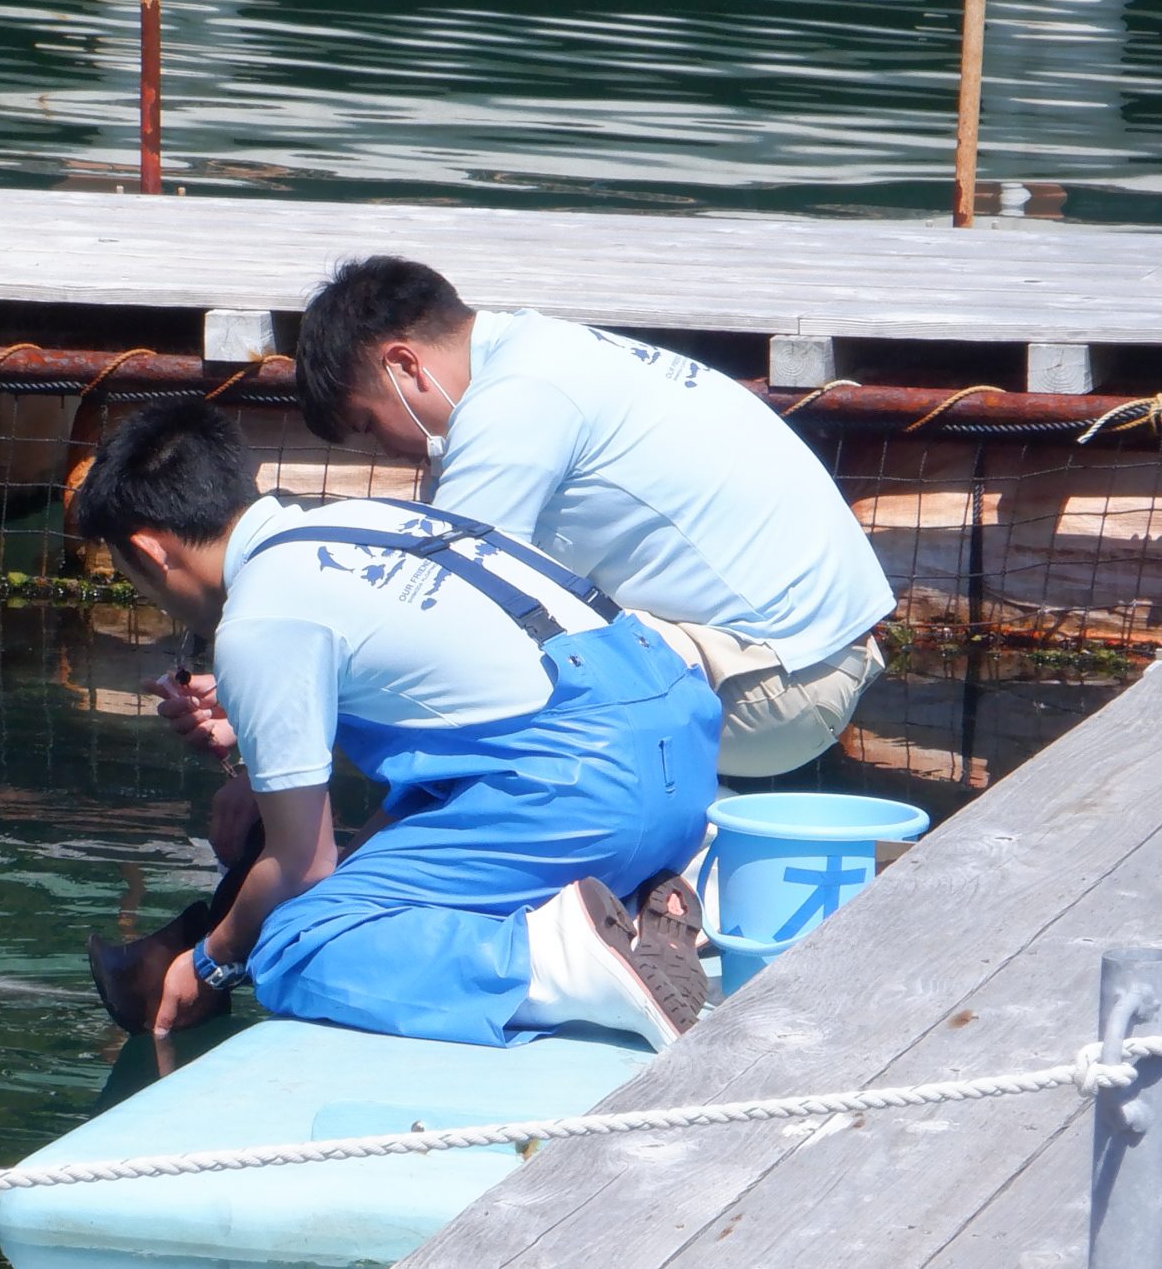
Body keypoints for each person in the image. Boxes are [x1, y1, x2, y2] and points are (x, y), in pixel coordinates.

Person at [77, 401, 717, 1048]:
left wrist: (209, 964)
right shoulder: (366, 517)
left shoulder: (258, 619)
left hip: (589, 782)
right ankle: (651, 893)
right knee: (359, 871)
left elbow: (302, 865)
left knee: (294, 944)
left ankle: (565, 961)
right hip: (680, 749)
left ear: (150, 552)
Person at [290, 256, 894, 778]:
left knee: (484, 694)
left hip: (785, 686)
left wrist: (292, 713)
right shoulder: (542, 348)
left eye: (369, 425)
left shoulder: (513, 403)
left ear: (405, 365)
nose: (386, 451)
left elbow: (445, 619)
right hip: (814, 653)